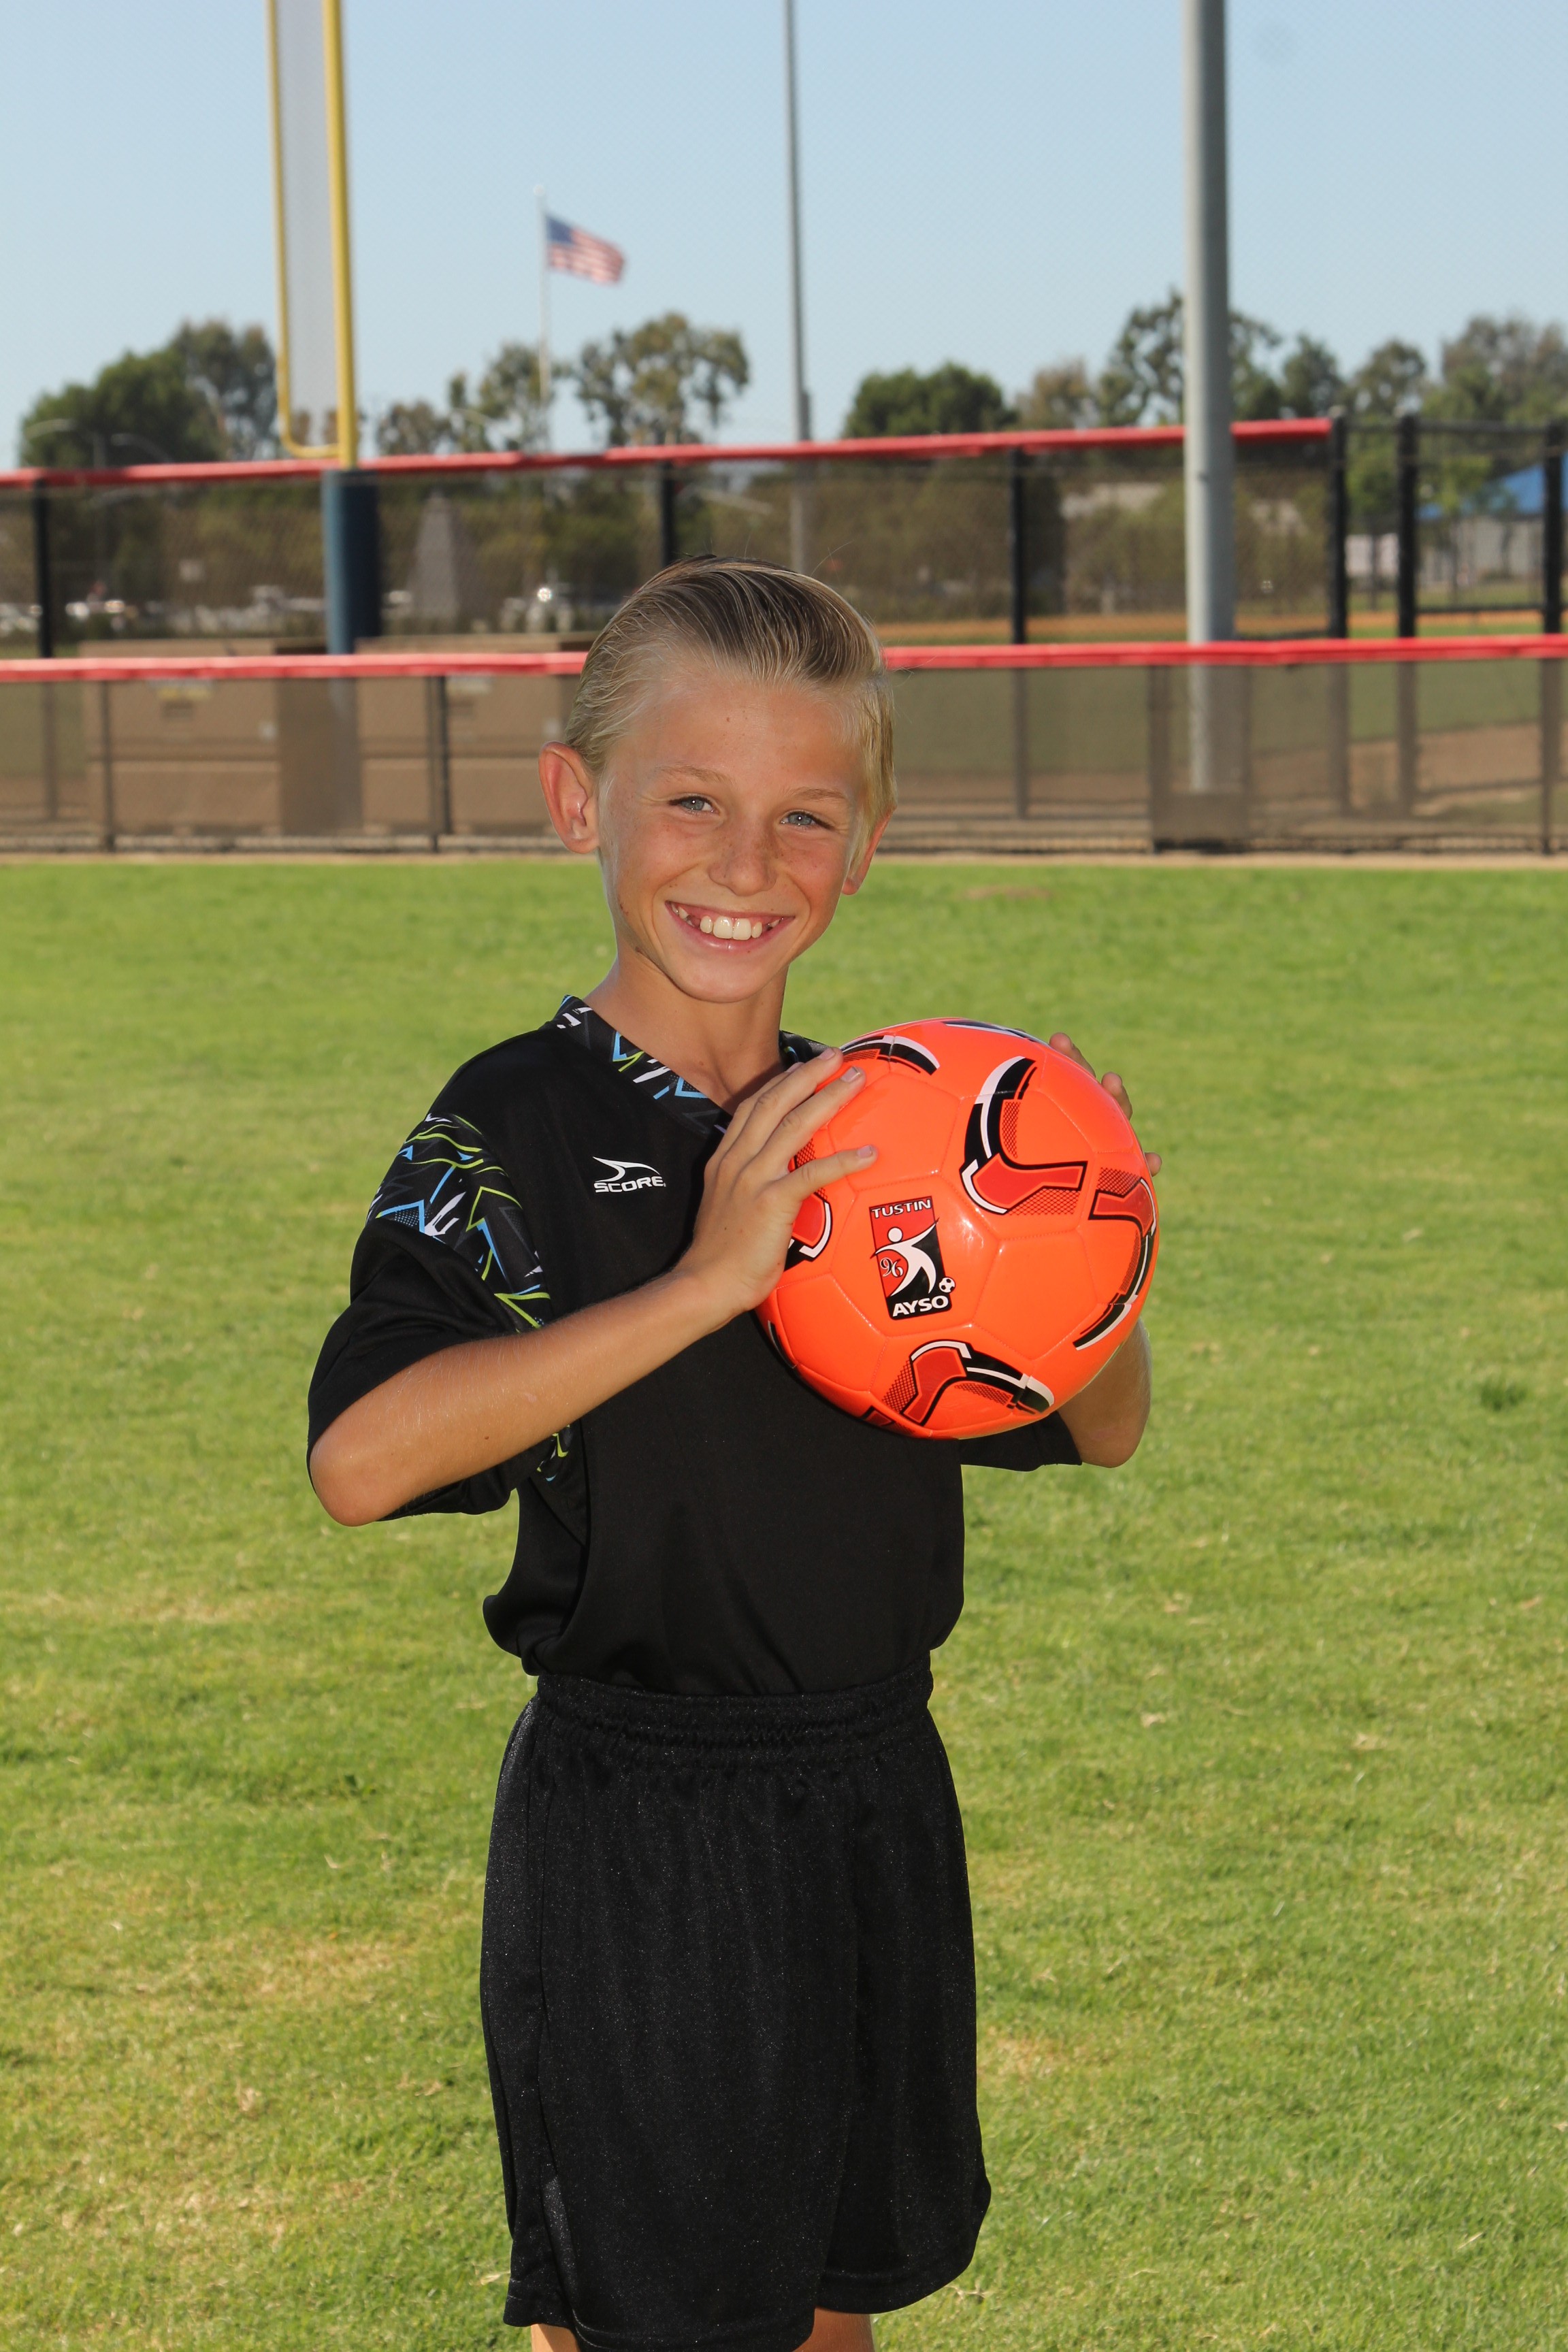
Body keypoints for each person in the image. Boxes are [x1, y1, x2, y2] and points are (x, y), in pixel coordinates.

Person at [308, 558, 1154, 2352]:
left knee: (835, 2312)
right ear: (579, 802)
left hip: (872, 1792)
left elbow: (1106, 1426)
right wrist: (707, 1283)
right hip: (643, 1830)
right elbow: (361, 1462)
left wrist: (1081, 1235)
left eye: (804, 817)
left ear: (866, 846)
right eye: (692, 801)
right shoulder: (511, 1126)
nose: (746, 864)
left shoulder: (892, 1126)